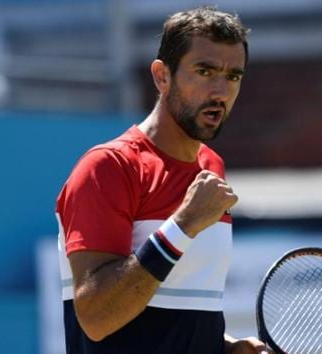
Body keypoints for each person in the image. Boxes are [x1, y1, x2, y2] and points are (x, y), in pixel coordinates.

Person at [55, 6, 270, 354]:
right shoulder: (107, 167)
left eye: (233, 76)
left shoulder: (211, 167)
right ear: (162, 76)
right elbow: (95, 318)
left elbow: (174, 317)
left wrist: (226, 347)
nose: (220, 91)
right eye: (205, 71)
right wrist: (183, 225)